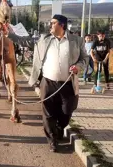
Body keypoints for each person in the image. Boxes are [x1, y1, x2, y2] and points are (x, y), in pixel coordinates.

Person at [28, 14, 86, 152]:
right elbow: (26, 41)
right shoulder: (44, 39)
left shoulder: (77, 41)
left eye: (53, 23)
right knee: (48, 114)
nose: (50, 25)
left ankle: (60, 128)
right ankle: (52, 140)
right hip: (48, 83)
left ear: (62, 25)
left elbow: (85, 58)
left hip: (67, 83)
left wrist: (78, 67)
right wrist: (9, 34)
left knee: (67, 111)